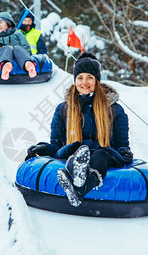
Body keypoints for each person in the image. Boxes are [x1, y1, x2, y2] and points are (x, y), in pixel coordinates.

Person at [26, 53, 134, 207]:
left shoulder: (114, 110)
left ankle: (80, 188)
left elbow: (122, 144)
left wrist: (125, 152)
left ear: (96, 81)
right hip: (73, 152)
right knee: (77, 148)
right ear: (75, 80)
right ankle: (79, 177)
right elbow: (56, 145)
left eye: (89, 77)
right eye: (80, 77)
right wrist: (43, 148)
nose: (84, 82)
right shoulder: (63, 109)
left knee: (101, 154)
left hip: (104, 158)